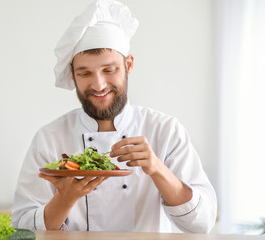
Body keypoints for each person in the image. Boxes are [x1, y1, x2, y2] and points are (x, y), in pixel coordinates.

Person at [12, 0, 217, 233]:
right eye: (85, 73)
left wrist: (158, 169)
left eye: (109, 70)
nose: (98, 85)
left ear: (128, 65)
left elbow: (202, 223)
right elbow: (22, 231)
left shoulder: (165, 130)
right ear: (72, 74)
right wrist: (66, 198)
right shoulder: (49, 138)